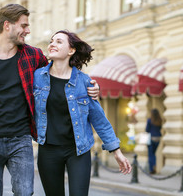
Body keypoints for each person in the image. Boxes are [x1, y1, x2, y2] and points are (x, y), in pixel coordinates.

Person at [0, 4, 99, 196]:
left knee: (25, 192)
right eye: (23, 26)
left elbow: (57, 76)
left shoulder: (33, 56)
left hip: (20, 139)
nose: (28, 30)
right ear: (8, 25)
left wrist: (89, 86)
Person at [33, 30, 132, 196]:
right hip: (48, 150)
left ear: (71, 50)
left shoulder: (84, 81)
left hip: (78, 150)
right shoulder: (37, 77)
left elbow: (99, 119)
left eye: (58, 41)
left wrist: (117, 152)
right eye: (51, 41)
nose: (52, 44)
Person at [145, 108, 163, 174]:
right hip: (158, 138)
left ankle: (151, 169)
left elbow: (147, 130)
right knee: (153, 153)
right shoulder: (160, 120)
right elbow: (160, 128)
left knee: (150, 154)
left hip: (151, 138)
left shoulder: (149, 120)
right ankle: (154, 165)